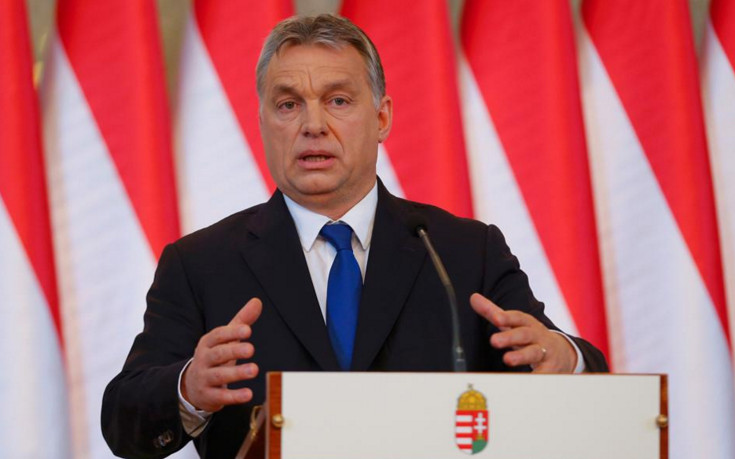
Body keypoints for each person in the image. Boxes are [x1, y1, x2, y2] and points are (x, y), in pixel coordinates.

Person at [102, 14, 608, 458]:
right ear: (263, 122)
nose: (313, 125)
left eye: (338, 100)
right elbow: (123, 420)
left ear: (382, 117)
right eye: (287, 105)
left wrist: (565, 359)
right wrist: (188, 388)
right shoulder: (202, 263)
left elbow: (569, 371)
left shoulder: (462, 252)